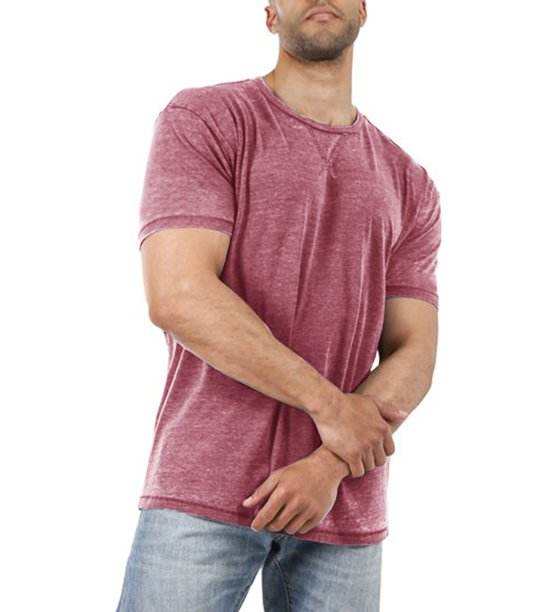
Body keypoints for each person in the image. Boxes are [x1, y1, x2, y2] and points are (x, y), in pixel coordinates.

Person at [116, 1, 441, 610]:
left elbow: (414, 351)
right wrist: (330, 407)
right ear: (270, 14)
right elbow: (178, 295)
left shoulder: (410, 182)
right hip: (205, 487)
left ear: (364, 9)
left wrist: (329, 465)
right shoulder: (207, 119)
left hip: (344, 502)